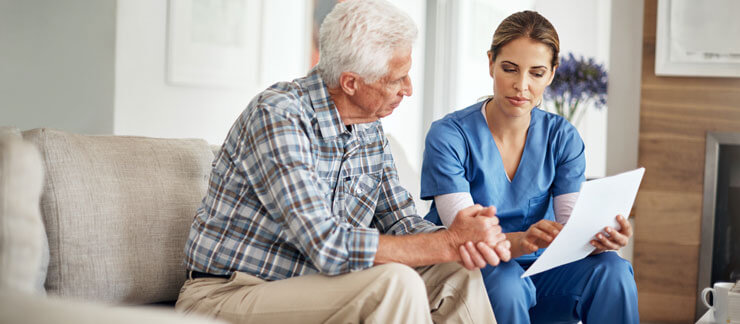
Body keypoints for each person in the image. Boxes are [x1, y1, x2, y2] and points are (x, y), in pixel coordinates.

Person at [175, 1, 511, 323]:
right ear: (351, 82)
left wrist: (463, 240)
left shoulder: (369, 127)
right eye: (396, 79)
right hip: (230, 291)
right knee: (394, 284)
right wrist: (445, 243)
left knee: (457, 271)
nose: (408, 89)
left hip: (317, 284)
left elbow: (401, 223)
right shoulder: (278, 116)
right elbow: (326, 244)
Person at [420, 10, 639, 324]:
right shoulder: (450, 135)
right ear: (491, 63)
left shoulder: (562, 138)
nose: (521, 85)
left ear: (551, 74)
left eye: (536, 73)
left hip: (542, 271)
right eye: (510, 68)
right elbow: (463, 234)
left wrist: (601, 238)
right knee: (507, 284)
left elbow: (571, 227)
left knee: (612, 270)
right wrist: (521, 240)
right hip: (477, 269)